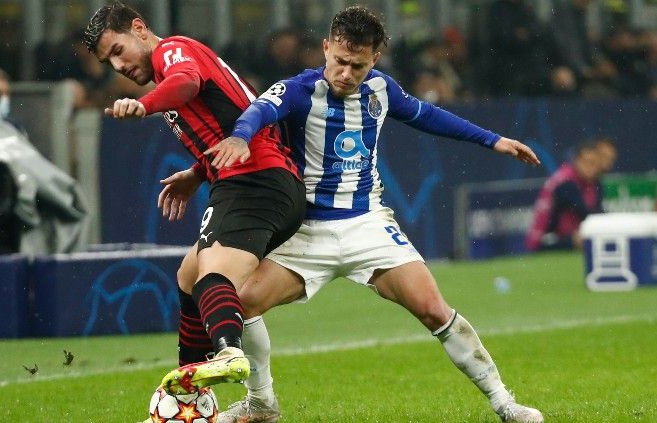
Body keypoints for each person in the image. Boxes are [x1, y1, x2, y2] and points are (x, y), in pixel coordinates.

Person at [162, 6, 544, 423]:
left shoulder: (383, 90)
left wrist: (494, 141)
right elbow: (256, 112)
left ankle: (505, 404)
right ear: (326, 48)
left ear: (374, 60)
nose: (345, 73)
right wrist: (237, 138)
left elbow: (428, 115)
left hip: (368, 225)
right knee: (242, 304)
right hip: (305, 231)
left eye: (357, 66)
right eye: (339, 61)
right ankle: (262, 403)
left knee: (435, 309)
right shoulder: (297, 90)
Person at [82, 2, 305, 397]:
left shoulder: (172, 52)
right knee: (189, 278)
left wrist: (145, 105)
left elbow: (187, 81)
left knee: (211, 277)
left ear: (139, 27)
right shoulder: (170, 71)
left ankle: (228, 353)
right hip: (251, 180)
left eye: (118, 50)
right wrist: (197, 173)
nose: (117, 67)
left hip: (256, 180)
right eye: (107, 62)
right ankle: (191, 391)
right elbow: (232, 112)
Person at [526, 139, 614, 251]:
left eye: (594, 163)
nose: (590, 167)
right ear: (576, 161)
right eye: (586, 162)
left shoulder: (593, 183)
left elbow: (597, 212)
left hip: (566, 237)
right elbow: (587, 214)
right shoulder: (565, 182)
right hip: (544, 242)